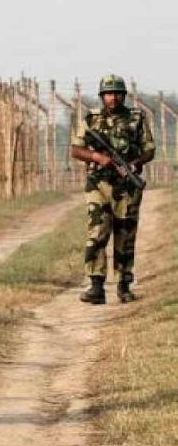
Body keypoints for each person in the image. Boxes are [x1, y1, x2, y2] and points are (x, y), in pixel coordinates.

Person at [69, 74, 154, 304]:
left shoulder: (136, 118)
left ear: (124, 95)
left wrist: (135, 164)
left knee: (125, 235)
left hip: (126, 186)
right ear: (101, 96)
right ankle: (96, 286)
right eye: (108, 93)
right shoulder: (91, 119)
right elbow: (76, 150)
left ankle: (123, 285)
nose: (113, 98)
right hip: (98, 183)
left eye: (117, 93)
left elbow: (149, 149)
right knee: (98, 232)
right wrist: (97, 156)